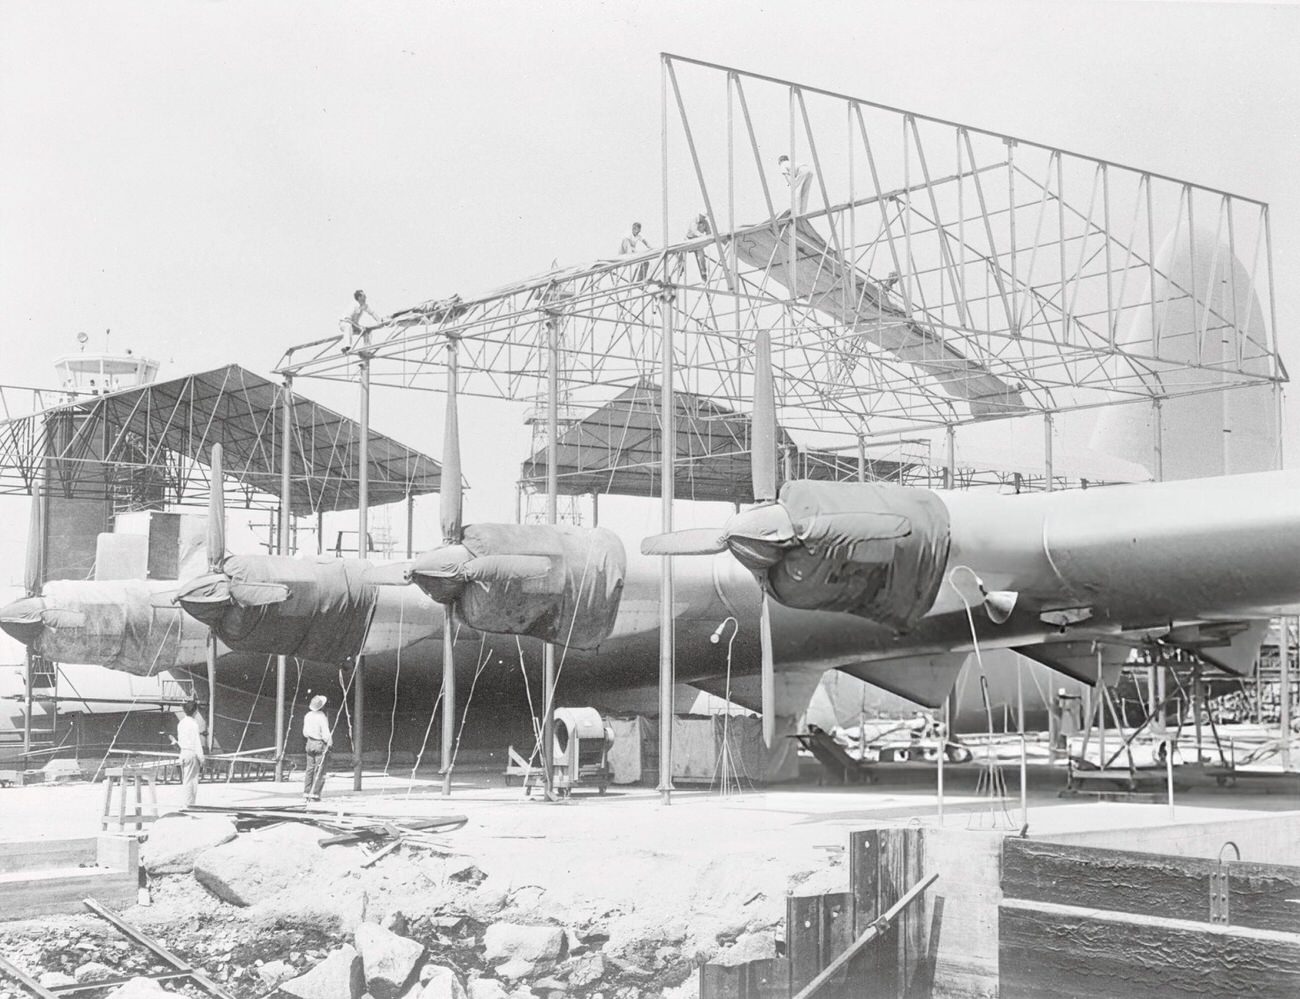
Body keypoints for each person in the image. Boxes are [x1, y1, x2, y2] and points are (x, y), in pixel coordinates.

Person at [302, 694, 332, 801]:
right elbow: (325, 734)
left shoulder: (307, 715)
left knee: (309, 769)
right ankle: (315, 794)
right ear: (322, 706)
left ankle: (306, 793)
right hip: (319, 744)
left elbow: (305, 733)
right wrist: (329, 743)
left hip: (309, 742)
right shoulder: (322, 717)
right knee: (319, 770)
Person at [176, 699, 204, 807]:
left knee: (186, 780)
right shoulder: (193, 724)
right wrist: (201, 758)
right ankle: (190, 805)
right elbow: (196, 742)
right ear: (195, 711)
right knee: (192, 782)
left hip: (183, 752)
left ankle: (186, 804)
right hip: (192, 753)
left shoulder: (181, 723)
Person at [684, 213, 711, 281]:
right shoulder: (694, 220)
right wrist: (702, 236)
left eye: (704, 217)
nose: (703, 218)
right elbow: (694, 231)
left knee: (701, 257)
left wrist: (708, 237)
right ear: (699, 215)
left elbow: (709, 232)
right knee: (681, 253)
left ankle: (704, 273)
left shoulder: (705, 222)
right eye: (702, 217)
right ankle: (681, 267)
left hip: (698, 241)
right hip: (689, 240)